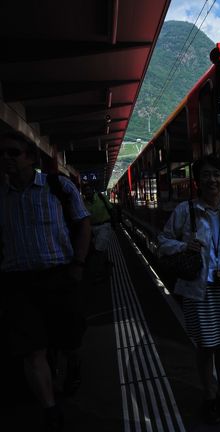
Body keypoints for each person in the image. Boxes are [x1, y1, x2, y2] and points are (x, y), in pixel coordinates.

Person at [0, 131, 91, 431]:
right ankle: (51, 411)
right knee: (32, 349)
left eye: (13, 153)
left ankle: (72, 361)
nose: (6, 159)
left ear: (31, 158)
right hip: (18, 283)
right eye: (3, 154)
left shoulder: (58, 186)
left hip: (59, 277)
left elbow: (82, 223)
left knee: (69, 340)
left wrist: (77, 264)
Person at [158, 154, 220, 424]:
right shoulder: (185, 211)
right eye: (206, 175)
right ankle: (209, 396)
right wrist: (182, 246)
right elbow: (163, 240)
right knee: (205, 346)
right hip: (199, 290)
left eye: (217, 174)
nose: (212, 179)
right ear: (197, 182)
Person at [80, 174, 114, 281]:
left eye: (89, 189)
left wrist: (115, 223)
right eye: (86, 190)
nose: (88, 192)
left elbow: (111, 209)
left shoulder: (101, 197)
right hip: (91, 228)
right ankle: (106, 265)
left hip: (104, 225)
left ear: (93, 190)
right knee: (97, 250)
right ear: (84, 193)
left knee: (98, 249)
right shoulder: (83, 203)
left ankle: (99, 273)